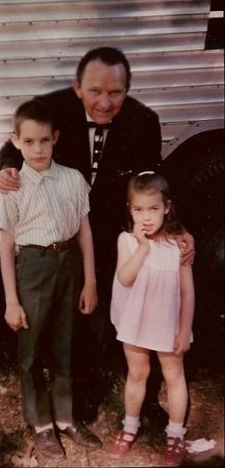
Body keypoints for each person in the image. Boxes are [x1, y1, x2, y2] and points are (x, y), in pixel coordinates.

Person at [0, 46, 195, 423]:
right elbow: (14, 146)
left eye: (116, 92)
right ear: (77, 87)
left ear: (128, 89)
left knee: (133, 307)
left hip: (114, 231)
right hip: (69, 231)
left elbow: (152, 184)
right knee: (73, 319)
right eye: (95, 91)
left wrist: (178, 229)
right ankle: (77, 400)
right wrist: (7, 171)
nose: (105, 102)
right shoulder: (50, 108)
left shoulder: (143, 120)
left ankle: (143, 393)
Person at [0, 99, 103, 461]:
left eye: (44, 140)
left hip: (69, 264)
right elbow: (7, 247)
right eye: (29, 142)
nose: (38, 149)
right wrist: (12, 301)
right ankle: (42, 427)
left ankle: (65, 416)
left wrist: (89, 282)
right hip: (34, 269)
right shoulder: (13, 188)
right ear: (16, 141)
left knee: (66, 346)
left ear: (55, 138)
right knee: (32, 352)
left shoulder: (72, 179)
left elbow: (85, 233)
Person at [108, 171, 195, 467]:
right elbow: (126, 277)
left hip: (167, 324)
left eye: (154, 208)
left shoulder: (177, 245)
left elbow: (187, 292)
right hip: (136, 321)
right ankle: (130, 425)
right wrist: (143, 247)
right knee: (137, 373)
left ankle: (175, 434)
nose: (146, 217)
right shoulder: (127, 241)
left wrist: (184, 330)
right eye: (139, 209)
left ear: (167, 207)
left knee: (173, 376)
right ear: (129, 209)